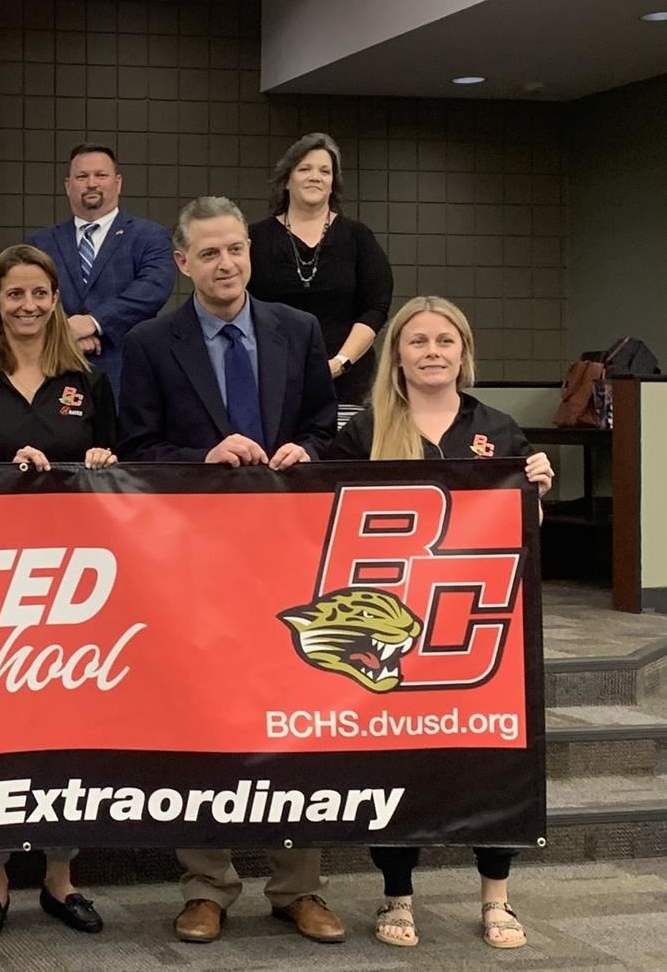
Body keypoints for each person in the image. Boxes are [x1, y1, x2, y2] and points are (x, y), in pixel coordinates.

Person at [117, 195, 344, 945]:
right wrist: (200, 458)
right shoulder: (152, 341)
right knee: (199, 716)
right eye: (209, 253)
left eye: (236, 250)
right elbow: (137, 449)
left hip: (286, 551)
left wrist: (306, 451)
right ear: (181, 262)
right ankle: (206, 885)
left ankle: (297, 887)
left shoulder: (298, 328)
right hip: (192, 558)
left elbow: (321, 426)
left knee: (296, 714)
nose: (226, 264)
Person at [325, 294, 552, 951]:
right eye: (417, 340)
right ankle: (397, 893)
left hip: (479, 628)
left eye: (444, 340)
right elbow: (319, 518)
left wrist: (534, 490)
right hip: (391, 633)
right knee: (397, 756)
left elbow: (525, 531)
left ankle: (497, 896)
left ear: (464, 351)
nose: (431, 351)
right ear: (396, 353)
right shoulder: (365, 431)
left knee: (490, 754)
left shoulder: (501, 428)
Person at [0, 242, 113, 941]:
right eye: (14, 294)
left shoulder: (88, 380)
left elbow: (122, 470)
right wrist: (0, 477)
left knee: (69, 733)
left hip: (78, 585)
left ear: (56, 300)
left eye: (40, 293)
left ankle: (61, 877)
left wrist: (100, 461)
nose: (29, 306)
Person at [248, 132, 392, 408]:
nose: (315, 176)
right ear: (287, 179)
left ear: (332, 183)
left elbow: (376, 308)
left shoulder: (358, 237)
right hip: (271, 381)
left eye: (325, 171)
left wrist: (339, 363)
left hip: (349, 384)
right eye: (305, 169)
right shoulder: (254, 239)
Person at [27, 142, 174, 399]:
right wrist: (65, 333)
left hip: (127, 378)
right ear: (67, 185)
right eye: (82, 176)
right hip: (55, 375)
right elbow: (29, 297)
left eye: (100, 175)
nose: (91, 183)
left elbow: (152, 289)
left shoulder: (150, 236)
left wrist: (93, 323)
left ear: (117, 183)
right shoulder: (41, 243)